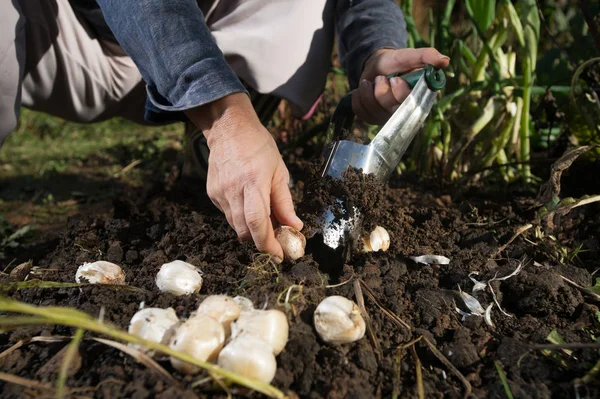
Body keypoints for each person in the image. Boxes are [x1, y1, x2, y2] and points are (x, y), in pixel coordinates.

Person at [1, 0, 449, 262]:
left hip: (222, 43)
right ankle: (225, 129)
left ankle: (220, 144)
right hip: (77, 37)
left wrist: (376, 54)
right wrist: (223, 115)